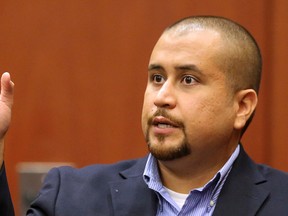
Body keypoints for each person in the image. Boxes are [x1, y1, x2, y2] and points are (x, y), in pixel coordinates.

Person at [1, 15, 288, 216]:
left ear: (242, 107)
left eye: (188, 80)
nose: (162, 97)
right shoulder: (70, 198)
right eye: (157, 77)